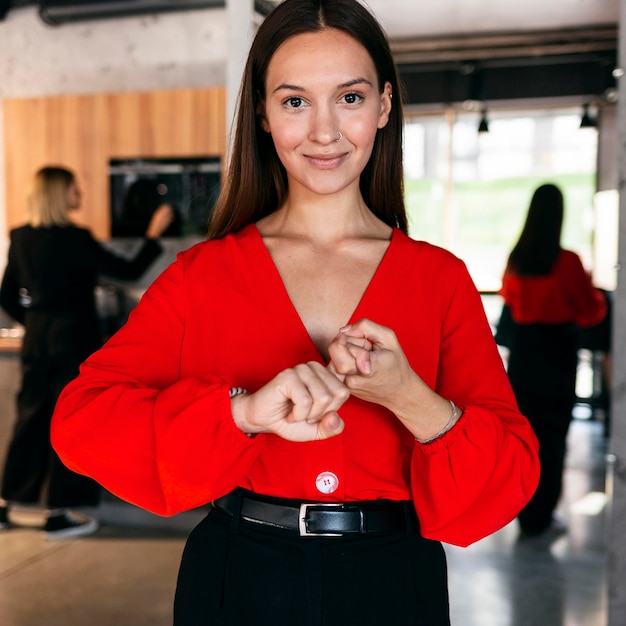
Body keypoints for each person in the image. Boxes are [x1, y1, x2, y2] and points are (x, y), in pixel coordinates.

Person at [50, 1, 539, 623]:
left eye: (351, 98)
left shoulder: (438, 279)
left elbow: (507, 477)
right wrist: (242, 413)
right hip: (237, 576)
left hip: (392, 580)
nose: (325, 131)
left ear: (385, 105)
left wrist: (408, 396)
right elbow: (81, 419)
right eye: (295, 101)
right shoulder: (203, 276)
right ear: (262, 113)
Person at [0, 165, 173, 539]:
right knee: (70, 421)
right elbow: (127, 271)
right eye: (74, 188)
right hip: (72, 338)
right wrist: (152, 235)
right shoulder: (74, 238)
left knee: (29, 417)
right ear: (60, 194)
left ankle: (7, 504)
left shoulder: (21, 237)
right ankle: (60, 513)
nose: (80, 193)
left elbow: (6, 297)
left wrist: (35, 323)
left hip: (38, 340)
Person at [499, 183, 607, 538]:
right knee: (554, 440)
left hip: (525, 358)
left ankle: (524, 512)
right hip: (557, 355)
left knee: (523, 439)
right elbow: (590, 312)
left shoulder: (517, 259)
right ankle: (541, 516)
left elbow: (511, 302)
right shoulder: (567, 262)